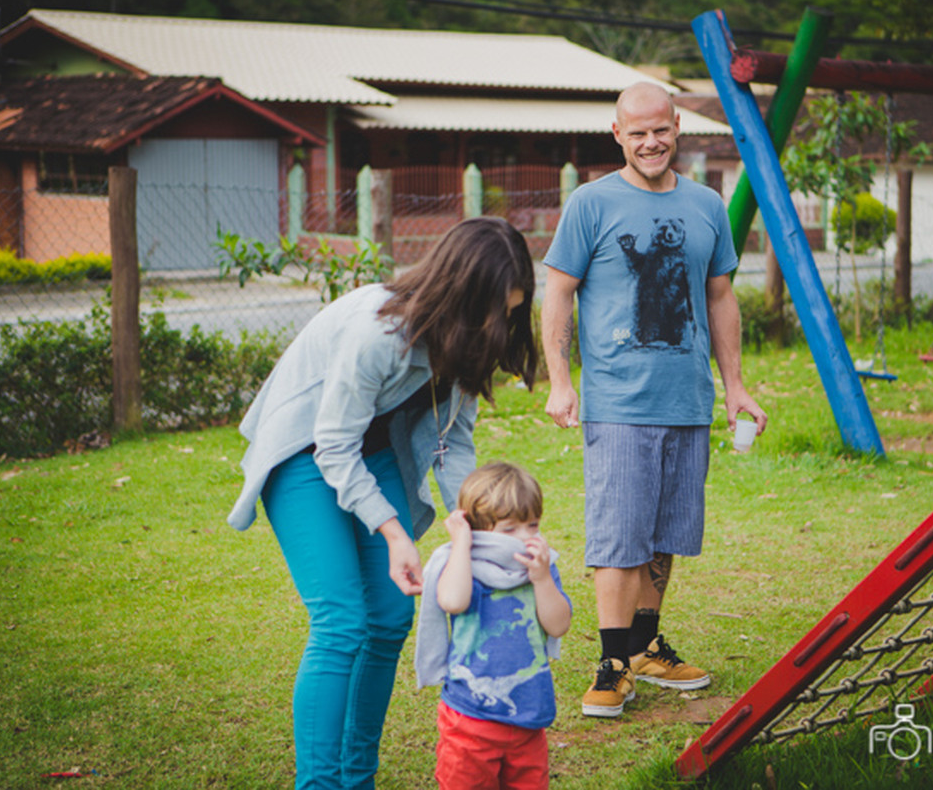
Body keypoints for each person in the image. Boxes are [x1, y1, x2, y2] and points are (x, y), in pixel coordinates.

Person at [227, 217, 538, 789]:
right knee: (342, 621)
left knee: (391, 617)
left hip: (369, 452)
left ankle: (356, 778)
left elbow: (454, 442)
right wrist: (395, 533)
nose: (505, 325)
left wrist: (478, 531)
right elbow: (333, 444)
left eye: (514, 312)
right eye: (500, 310)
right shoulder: (378, 331)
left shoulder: (469, 338)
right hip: (307, 451)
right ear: (463, 291)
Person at [540, 81, 768, 718]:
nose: (649, 142)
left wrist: (736, 387)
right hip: (618, 400)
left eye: (659, 130)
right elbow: (557, 293)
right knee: (619, 536)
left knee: (666, 534)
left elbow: (720, 298)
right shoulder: (591, 204)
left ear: (677, 128)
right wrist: (562, 379)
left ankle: (644, 645)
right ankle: (612, 664)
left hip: (687, 399)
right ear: (618, 135)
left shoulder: (706, 206)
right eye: (635, 132)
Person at [414, 461, 571, 790]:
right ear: (479, 530)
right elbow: (453, 601)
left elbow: (558, 626)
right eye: (510, 529)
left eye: (533, 525)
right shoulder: (462, 564)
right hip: (470, 718)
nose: (525, 538)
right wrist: (461, 544)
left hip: (529, 714)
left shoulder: (540, 568)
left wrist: (542, 579)